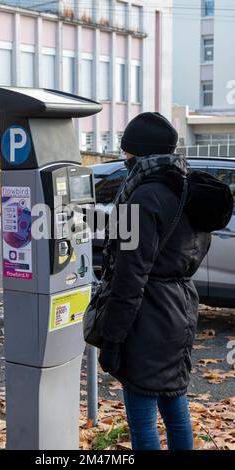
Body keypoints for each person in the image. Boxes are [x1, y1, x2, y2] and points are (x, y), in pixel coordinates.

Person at [98, 112, 215, 450]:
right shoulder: (186, 187)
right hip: (181, 307)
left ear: (139, 153)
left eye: (128, 151)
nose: (125, 158)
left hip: (148, 315)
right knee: (174, 404)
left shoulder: (143, 197)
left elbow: (130, 277)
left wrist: (113, 340)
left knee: (142, 414)